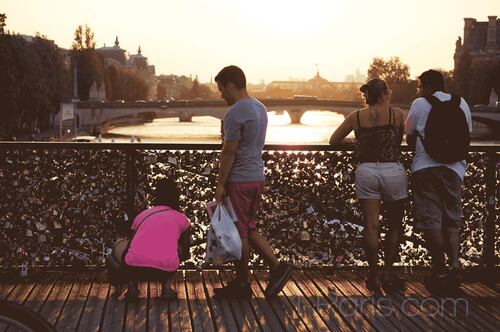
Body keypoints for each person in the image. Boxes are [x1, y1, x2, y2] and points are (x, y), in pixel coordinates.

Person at [213, 65, 291, 299]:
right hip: (257, 176)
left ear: (230, 85)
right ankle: (277, 267)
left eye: (221, 90)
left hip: (239, 179)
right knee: (248, 227)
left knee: (239, 233)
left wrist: (219, 184)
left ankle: (243, 283)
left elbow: (229, 152)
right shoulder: (260, 108)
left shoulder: (235, 113)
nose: (221, 95)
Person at [329, 78, 408, 295]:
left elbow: (333, 140)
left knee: (371, 225)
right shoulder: (397, 114)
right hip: (393, 171)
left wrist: (357, 144)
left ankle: (373, 275)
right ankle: (388, 273)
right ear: (384, 94)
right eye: (388, 92)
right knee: (393, 225)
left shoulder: (355, 117)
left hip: (367, 172)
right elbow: (399, 139)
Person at [405, 69, 472, 296]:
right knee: (452, 218)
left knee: (430, 219)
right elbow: (467, 134)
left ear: (427, 86)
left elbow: (409, 133)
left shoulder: (420, 103)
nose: (418, 90)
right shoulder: (460, 103)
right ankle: (454, 266)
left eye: (419, 86)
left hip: (425, 168)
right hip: (454, 168)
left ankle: (439, 268)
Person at [123, 177, 190, 301]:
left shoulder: (142, 215)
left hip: (134, 268)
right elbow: (186, 249)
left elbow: (131, 242)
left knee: (127, 248)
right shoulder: (181, 219)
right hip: (164, 270)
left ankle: (132, 287)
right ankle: (167, 288)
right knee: (177, 248)